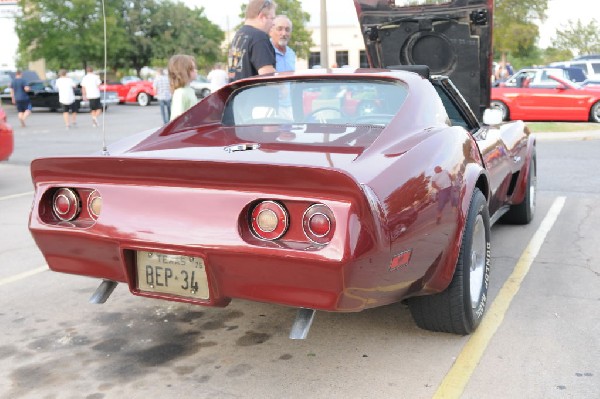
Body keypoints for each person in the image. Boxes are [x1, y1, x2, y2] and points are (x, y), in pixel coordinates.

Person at [228, 0, 277, 81]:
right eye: (272, 18)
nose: (273, 23)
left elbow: (232, 73)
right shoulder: (259, 37)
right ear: (262, 17)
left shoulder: (238, 36)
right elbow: (268, 75)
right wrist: (283, 88)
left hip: (238, 92)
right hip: (255, 93)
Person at [168, 54, 198, 121]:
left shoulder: (189, 90)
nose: (196, 71)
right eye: (192, 69)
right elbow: (176, 120)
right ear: (183, 72)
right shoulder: (180, 93)